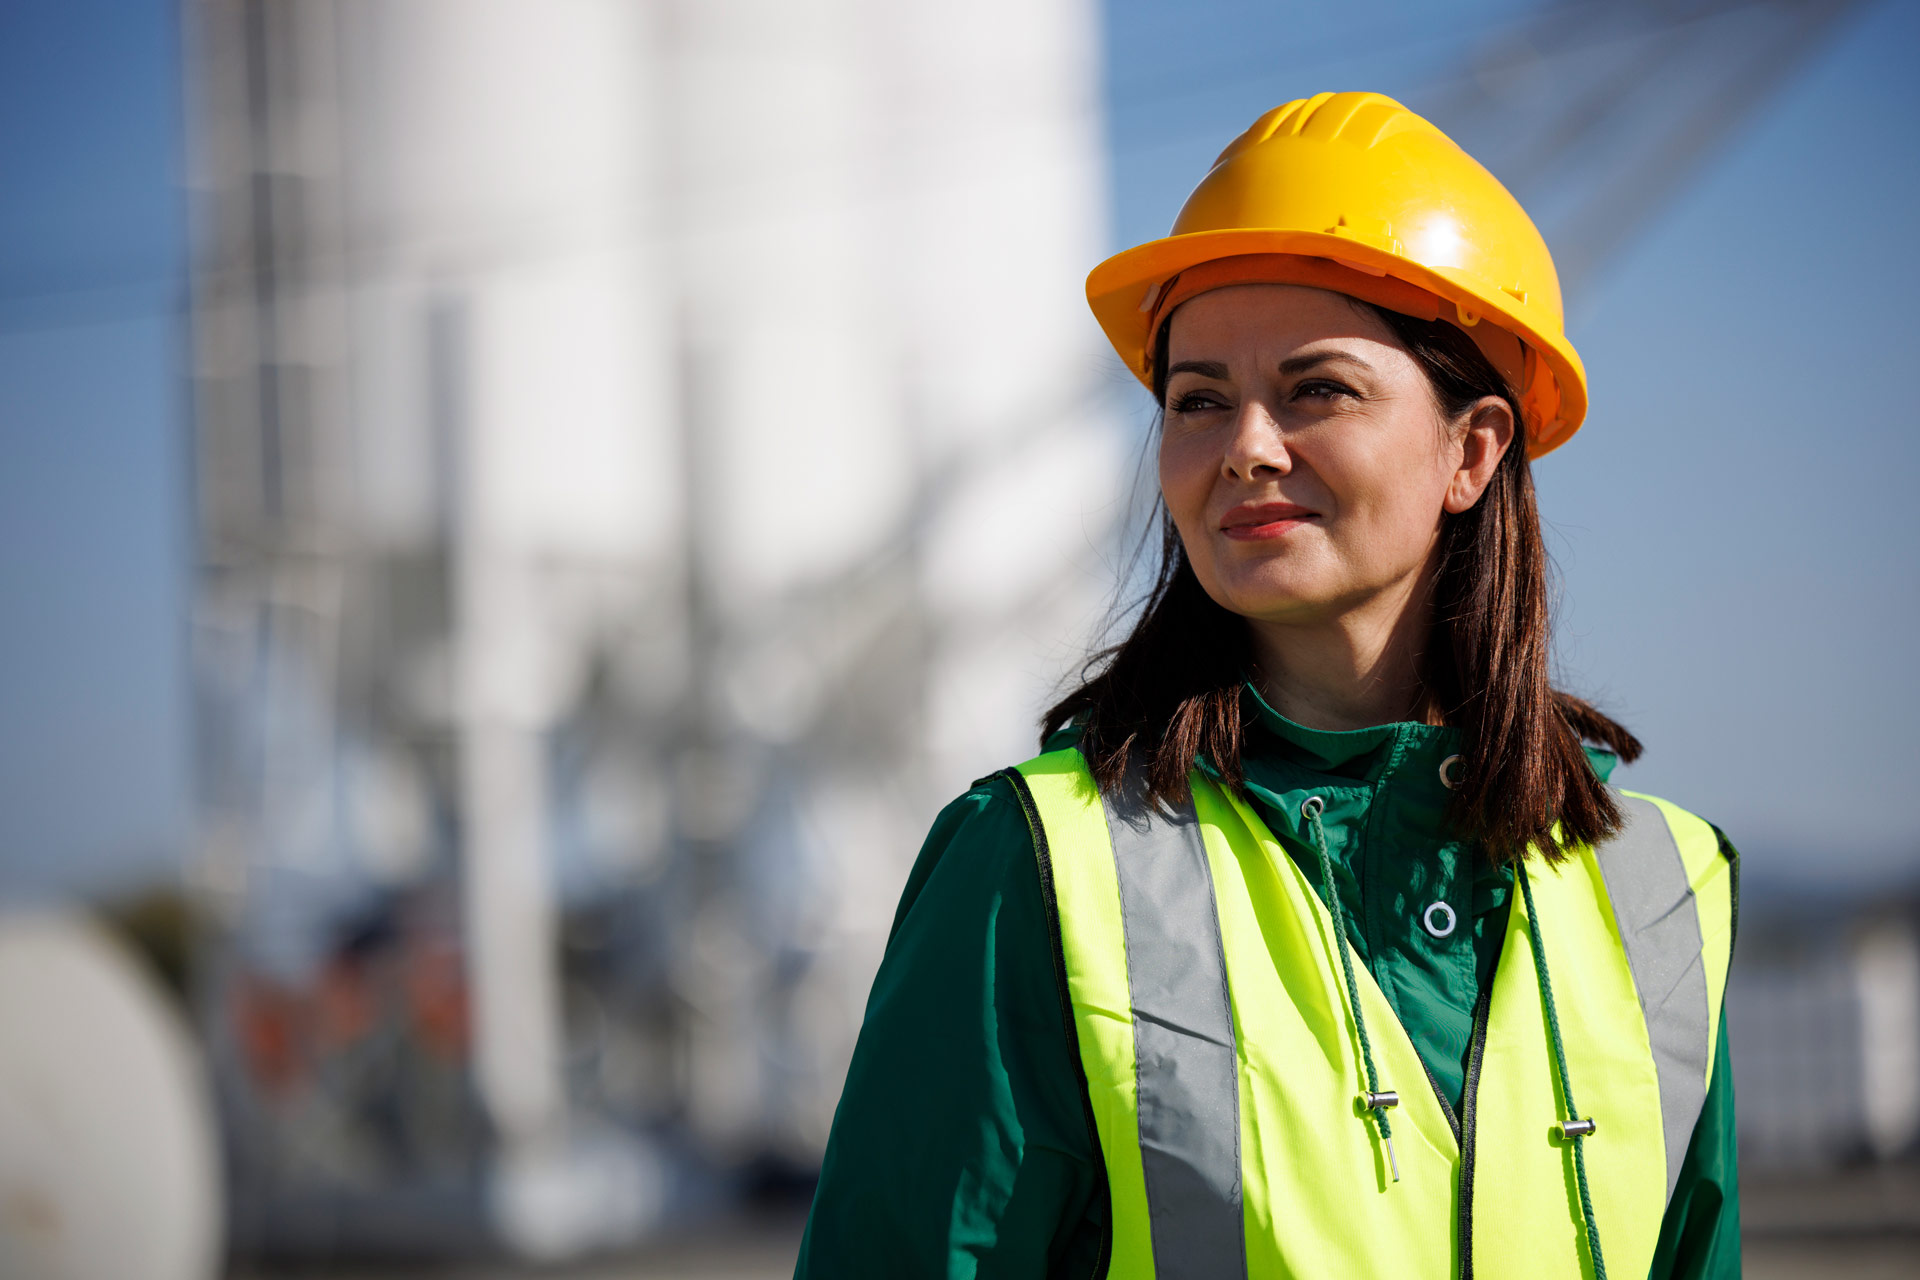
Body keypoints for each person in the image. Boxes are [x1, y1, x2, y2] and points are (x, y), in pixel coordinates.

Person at [795, 92, 1738, 1279]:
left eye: (1316, 388)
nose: (1244, 443)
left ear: (1475, 448)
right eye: (1196, 399)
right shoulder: (1033, 865)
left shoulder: (1660, 895)